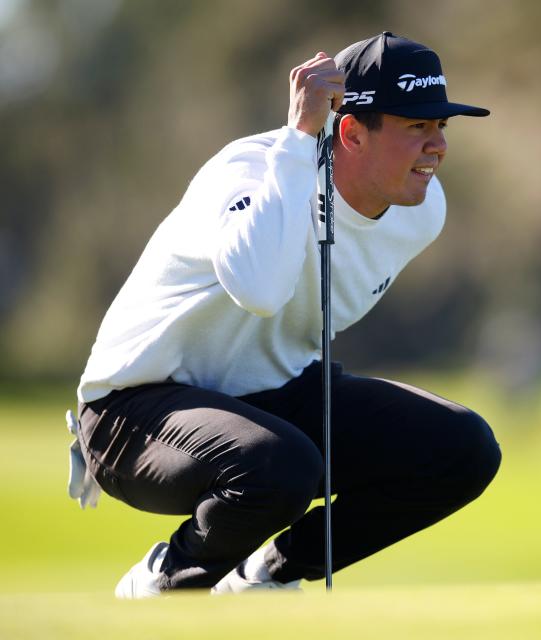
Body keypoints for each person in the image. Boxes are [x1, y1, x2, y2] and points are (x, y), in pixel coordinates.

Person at [69, 32, 501, 598]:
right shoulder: (247, 171)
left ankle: (267, 573)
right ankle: (165, 581)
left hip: (270, 400)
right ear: (350, 131)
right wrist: (301, 139)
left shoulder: (422, 211)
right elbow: (262, 291)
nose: (437, 145)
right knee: (281, 465)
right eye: (416, 126)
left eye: (442, 126)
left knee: (461, 448)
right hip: (133, 410)